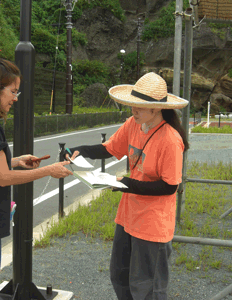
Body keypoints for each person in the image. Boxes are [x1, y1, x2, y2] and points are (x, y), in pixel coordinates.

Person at [0, 58, 75, 300]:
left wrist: (17, 160)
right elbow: (3, 177)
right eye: (12, 91)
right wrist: (48, 170)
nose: (15, 98)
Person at [65, 72, 189, 300]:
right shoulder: (133, 124)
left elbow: (170, 187)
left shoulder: (170, 140)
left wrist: (127, 184)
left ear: (156, 109)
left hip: (152, 223)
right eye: (132, 105)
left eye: (140, 107)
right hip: (128, 217)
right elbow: (110, 148)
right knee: (120, 276)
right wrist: (81, 149)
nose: (134, 110)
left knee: (147, 286)